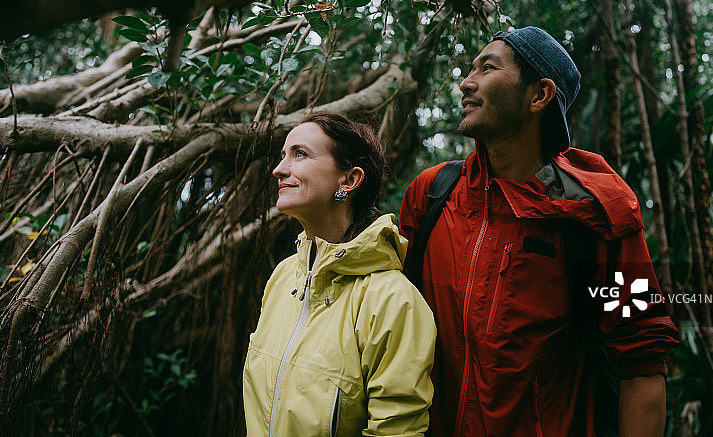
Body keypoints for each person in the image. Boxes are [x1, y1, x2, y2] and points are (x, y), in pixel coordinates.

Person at [400, 27, 679, 436]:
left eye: (488, 67)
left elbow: (641, 360)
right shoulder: (432, 193)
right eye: (471, 68)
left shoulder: (592, 214)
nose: (466, 81)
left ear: (539, 96)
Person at [244, 112, 436, 437]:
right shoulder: (282, 277)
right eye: (283, 156)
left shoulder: (392, 299)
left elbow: (396, 431)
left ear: (348, 180)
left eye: (299, 154)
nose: (279, 169)